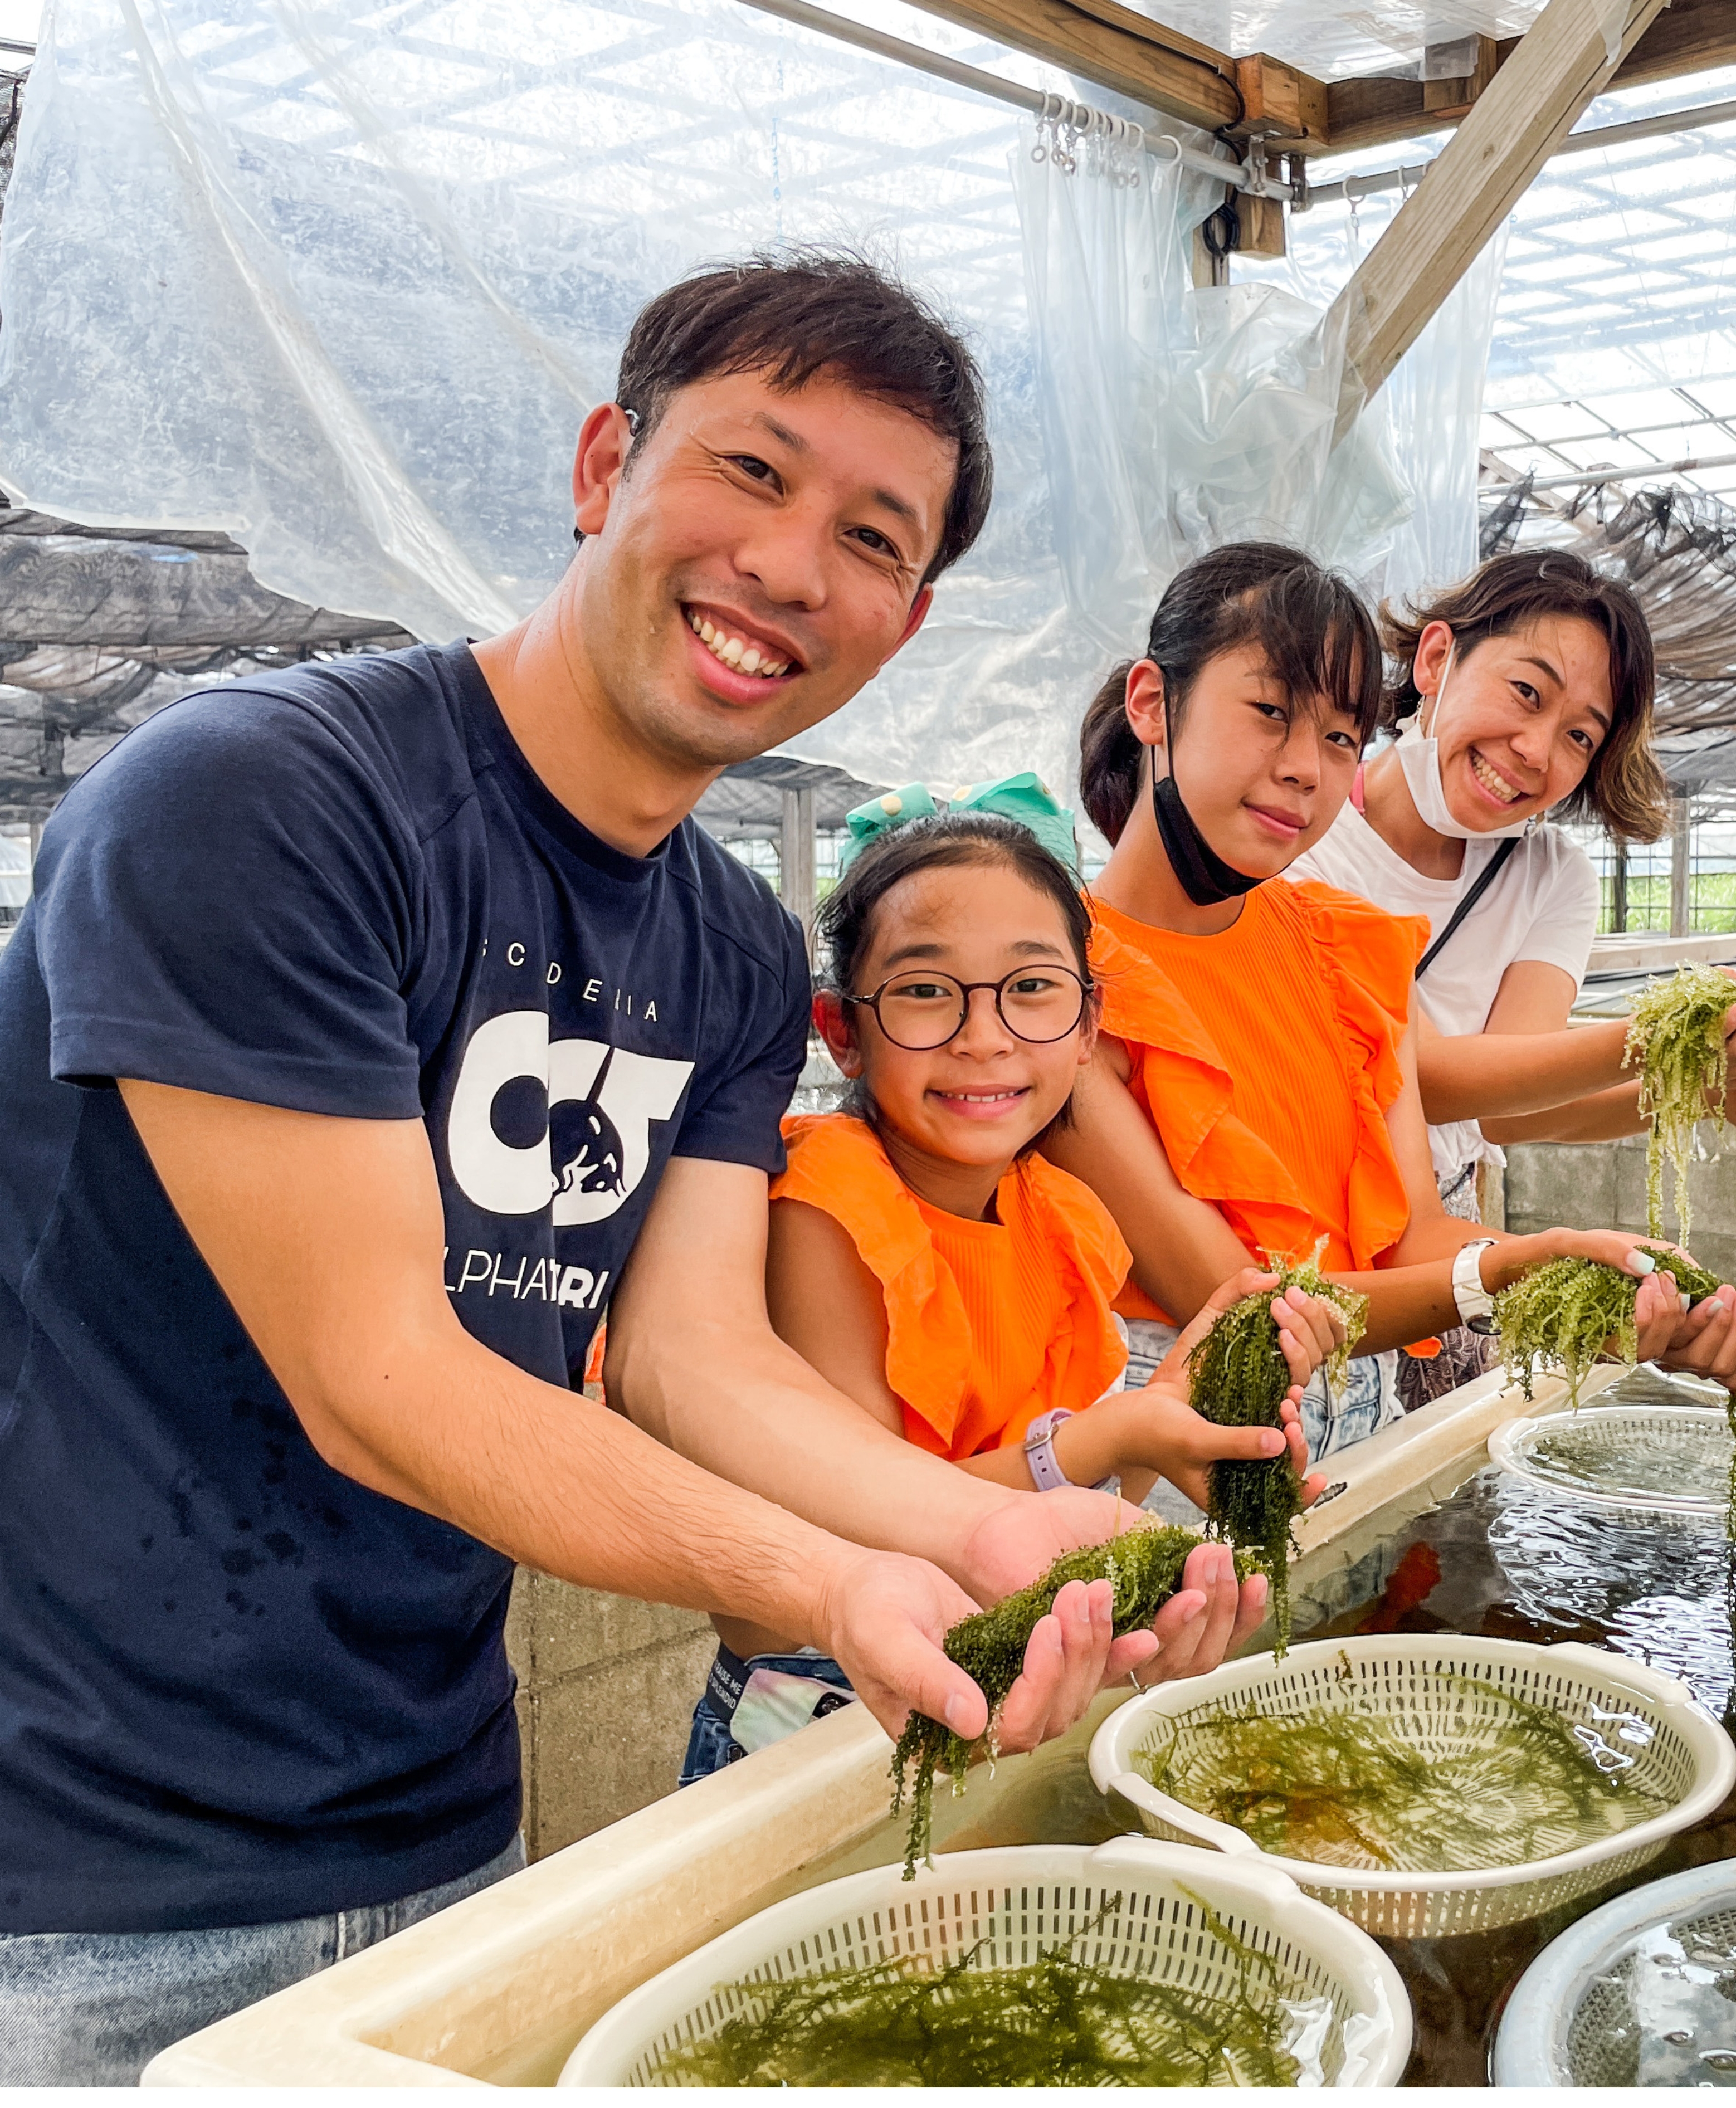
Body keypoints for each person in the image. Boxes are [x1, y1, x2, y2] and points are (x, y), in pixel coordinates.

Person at [0, 252, 1248, 2083]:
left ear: (902, 624)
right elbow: (379, 1378)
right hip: (81, 1870)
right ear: (604, 467)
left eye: (875, 537)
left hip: (445, 1820)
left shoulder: (736, 955)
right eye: (751, 469)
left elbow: (695, 1358)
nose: (793, 565)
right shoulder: (266, 802)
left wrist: (973, 1527)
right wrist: (834, 1586)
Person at [1050, 541, 1736, 1463]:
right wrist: (1519, 1266)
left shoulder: (1346, 949)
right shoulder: (1057, 984)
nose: (1307, 769)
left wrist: (1611, 1292)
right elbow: (1241, 1293)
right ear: (1152, 703)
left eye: (1341, 735)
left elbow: (1411, 1237)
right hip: (1178, 1450)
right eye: (1271, 711)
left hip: (1369, 1420)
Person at [687, 798, 1342, 1780]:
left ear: (1088, 1023)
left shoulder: (1068, 1217)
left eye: (1033, 986)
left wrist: (1176, 1415)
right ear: (841, 1031)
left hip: (1012, 1690)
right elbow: (853, 1516)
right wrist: (1114, 1433)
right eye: (923, 991)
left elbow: (1070, 1507)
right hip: (815, 1715)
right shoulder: (818, 1205)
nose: (985, 1035)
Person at [1290, 552, 1736, 1395]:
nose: (1533, 752)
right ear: (1434, 660)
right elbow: (1418, 1076)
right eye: (1526, 692)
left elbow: (1506, 1109)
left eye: (1579, 736)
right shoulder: (1301, 834)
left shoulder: (1550, 875)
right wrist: (1668, 1047)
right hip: (1306, 1246)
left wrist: (1708, 1093)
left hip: (1440, 1246)